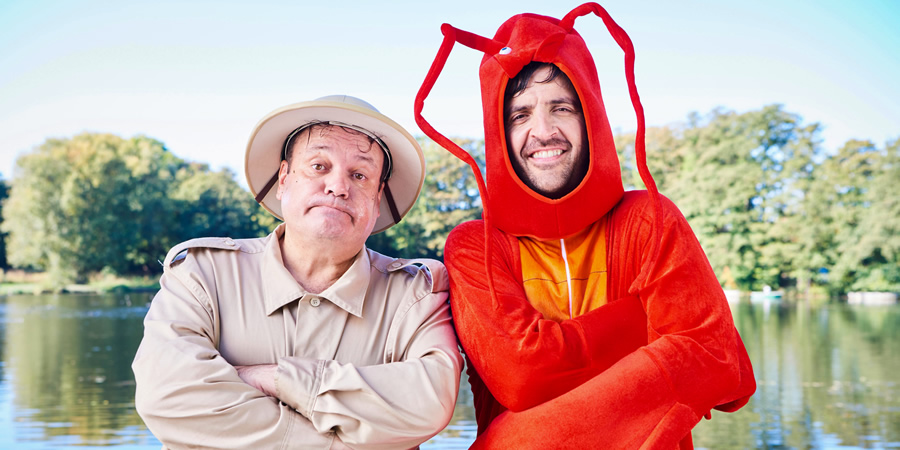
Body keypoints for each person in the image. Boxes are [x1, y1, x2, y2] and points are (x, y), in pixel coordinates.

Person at [413, 3, 755, 448]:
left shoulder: (648, 220)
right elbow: (520, 377)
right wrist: (643, 322)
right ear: (498, 132)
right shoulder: (475, 245)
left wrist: (516, 440)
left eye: (562, 107)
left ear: (589, 115)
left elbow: (717, 362)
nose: (544, 130)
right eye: (520, 115)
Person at [132, 95, 463, 449]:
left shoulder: (416, 294)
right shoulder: (202, 273)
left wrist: (275, 379)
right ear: (284, 178)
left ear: (377, 197)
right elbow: (167, 395)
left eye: (359, 174)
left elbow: (430, 405)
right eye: (319, 166)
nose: (338, 187)